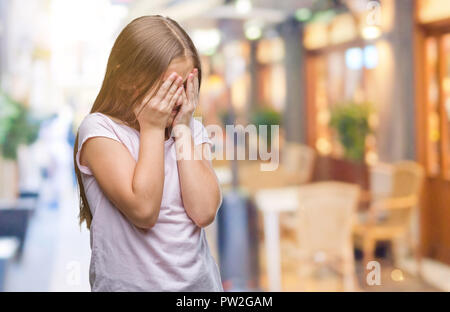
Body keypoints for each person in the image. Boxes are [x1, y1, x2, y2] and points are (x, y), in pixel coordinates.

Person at [73, 15, 223, 292]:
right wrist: (152, 129)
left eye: (185, 85)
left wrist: (182, 131)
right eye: (169, 85)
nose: (179, 98)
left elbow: (204, 212)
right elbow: (143, 210)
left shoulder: (190, 129)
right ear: (128, 80)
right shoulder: (99, 130)